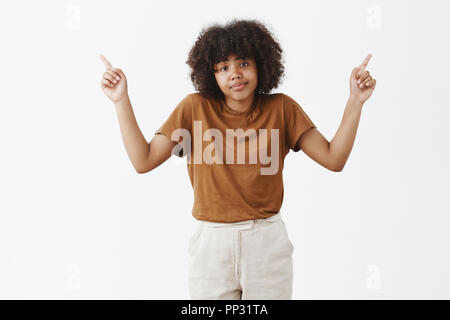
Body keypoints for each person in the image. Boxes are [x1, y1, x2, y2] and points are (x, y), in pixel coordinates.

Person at [99, 19, 376, 300]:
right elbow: (143, 160)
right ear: (212, 74)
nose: (235, 74)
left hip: (266, 243)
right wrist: (121, 100)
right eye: (223, 67)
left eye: (243, 63)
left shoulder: (282, 109)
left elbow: (334, 158)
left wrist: (355, 100)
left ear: (261, 65)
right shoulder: (193, 109)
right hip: (211, 245)